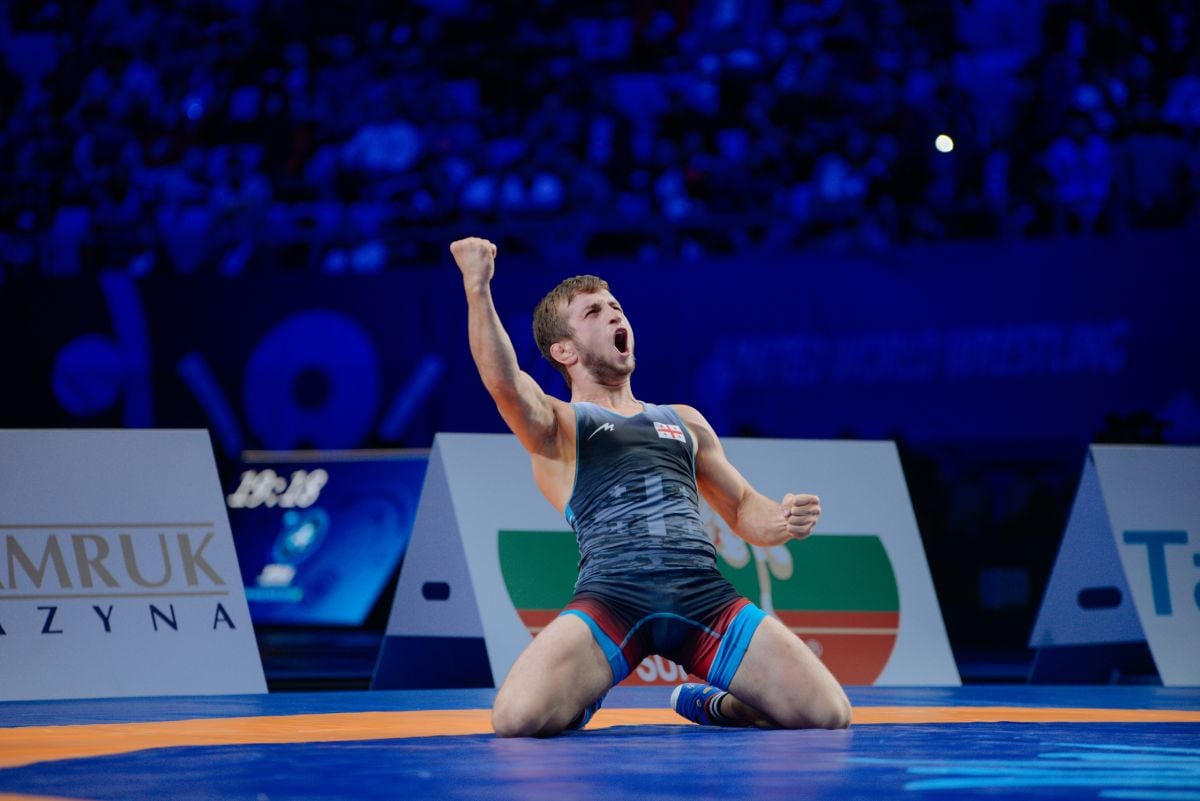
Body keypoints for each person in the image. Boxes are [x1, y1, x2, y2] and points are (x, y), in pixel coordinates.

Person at [450, 236, 852, 737]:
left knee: (829, 714)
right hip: (612, 598)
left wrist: (783, 518)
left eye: (616, 306)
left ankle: (720, 705)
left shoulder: (684, 421)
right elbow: (504, 382)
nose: (616, 315)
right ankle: (583, 693)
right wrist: (477, 287)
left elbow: (743, 507)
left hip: (704, 596)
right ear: (564, 350)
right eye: (594, 312)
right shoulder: (558, 425)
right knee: (517, 719)